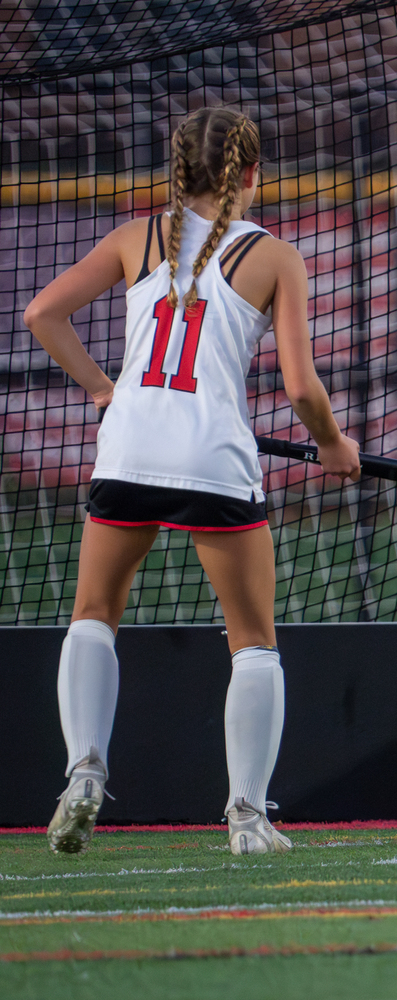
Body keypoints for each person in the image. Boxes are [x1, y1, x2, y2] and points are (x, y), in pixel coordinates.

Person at [23, 107, 360, 855]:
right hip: (214, 459)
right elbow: (302, 388)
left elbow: (43, 312)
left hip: (128, 449)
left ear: (177, 173)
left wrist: (104, 390)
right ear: (250, 175)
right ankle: (246, 816)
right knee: (253, 642)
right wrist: (334, 445)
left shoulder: (134, 239)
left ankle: (83, 768)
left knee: (93, 614)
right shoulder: (275, 255)